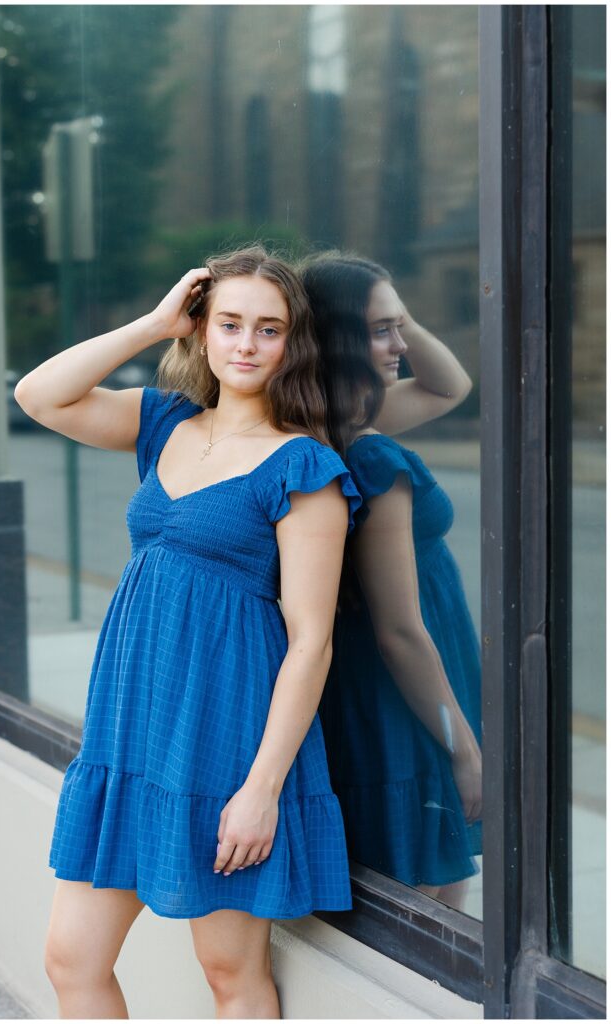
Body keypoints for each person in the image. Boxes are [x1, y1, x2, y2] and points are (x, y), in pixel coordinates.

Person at [15, 245, 362, 1019]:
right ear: (201, 330)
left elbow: (312, 642)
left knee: (228, 973)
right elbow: (42, 396)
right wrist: (150, 324)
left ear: (290, 344)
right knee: (71, 960)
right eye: (229, 323)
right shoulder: (163, 421)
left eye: (268, 329)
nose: (245, 344)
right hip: (131, 734)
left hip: (226, 741)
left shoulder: (301, 467)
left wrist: (261, 790)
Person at [299, 251, 483, 912]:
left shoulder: (329, 425)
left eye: (399, 326)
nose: (401, 343)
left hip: (400, 679)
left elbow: (449, 383)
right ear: (338, 339)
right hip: (407, 689)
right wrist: (460, 744)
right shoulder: (370, 449)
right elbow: (401, 630)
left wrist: (383, 303)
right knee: (427, 901)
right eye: (381, 330)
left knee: (427, 885)